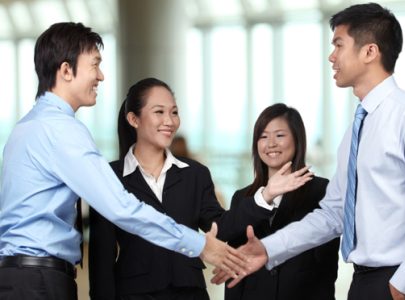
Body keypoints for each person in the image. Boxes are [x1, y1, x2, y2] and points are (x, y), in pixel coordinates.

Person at [212, 3, 405, 300]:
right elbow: (332, 215)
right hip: (365, 281)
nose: (331, 56)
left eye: (338, 44)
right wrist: (269, 249)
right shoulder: (356, 131)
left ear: (369, 52)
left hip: (400, 281)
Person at [0, 22, 260, 300]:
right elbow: (121, 208)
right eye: (95, 64)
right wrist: (200, 245)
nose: (100, 76)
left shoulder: (26, 127)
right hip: (38, 282)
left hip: (19, 277)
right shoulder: (62, 130)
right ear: (66, 70)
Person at [88, 78, 313, 300]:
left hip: (190, 293)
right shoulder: (110, 177)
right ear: (133, 119)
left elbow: (222, 228)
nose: (169, 121)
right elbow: (102, 259)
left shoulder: (195, 174)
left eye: (174, 112)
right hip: (134, 293)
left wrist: (266, 195)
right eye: (159, 112)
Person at [224, 103, 340, 300]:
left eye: (279, 135)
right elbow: (232, 262)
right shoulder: (242, 198)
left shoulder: (321, 191)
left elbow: (327, 267)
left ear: (297, 139)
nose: (270, 144)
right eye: (263, 136)